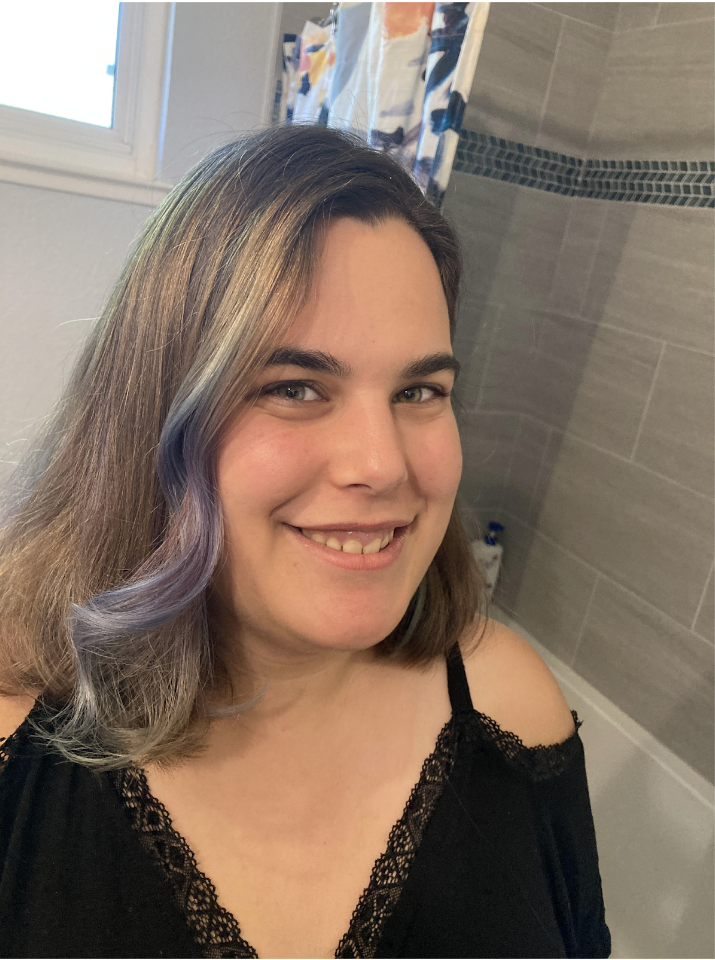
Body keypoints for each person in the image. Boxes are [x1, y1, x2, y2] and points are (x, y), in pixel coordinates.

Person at [0, 124, 610, 959]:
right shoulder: (14, 724)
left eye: (419, 391)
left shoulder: (512, 704)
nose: (382, 464)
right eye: (294, 387)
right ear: (152, 412)